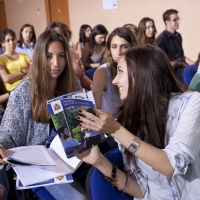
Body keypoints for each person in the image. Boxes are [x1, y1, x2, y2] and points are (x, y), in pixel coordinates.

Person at [76, 45, 200, 199]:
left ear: (141, 73)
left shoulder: (190, 103)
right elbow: (142, 190)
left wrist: (116, 130)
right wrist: (99, 162)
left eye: (120, 71)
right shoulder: (126, 120)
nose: (114, 81)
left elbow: (171, 165)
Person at [0, 30, 87, 200]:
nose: (56, 63)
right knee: (79, 198)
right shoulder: (24, 92)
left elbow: (80, 127)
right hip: (40, 163)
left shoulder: (72, 83)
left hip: (73, 156)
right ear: (39, 58)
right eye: (49, 56)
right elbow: (7, 138)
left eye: (61, 56)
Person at [92, 27, 136, 117]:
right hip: (109, 127)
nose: (119, 52)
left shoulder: (137, 70)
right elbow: (95, 111)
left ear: (132, 47)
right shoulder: (102, 72)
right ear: (109, 49)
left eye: (124, 46)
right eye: (114, 47)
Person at [46, 21, 92, 90]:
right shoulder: (43, 55)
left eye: (60, 35)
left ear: (66, 36)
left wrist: (93, 85)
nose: (56, 38)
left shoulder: (73, 52)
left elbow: (82, 77)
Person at [156, 9, 194, 82]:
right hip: (173, 70)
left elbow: (182, 56)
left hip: (182, 66)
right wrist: (180, 64)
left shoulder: (178, 36)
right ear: (167, 22)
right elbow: (164, 63)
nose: (178, 22)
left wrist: (195, 64)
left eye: (178, 19)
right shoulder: (161, 39)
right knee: (188, 74)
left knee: (196, 70)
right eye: (175, 20)